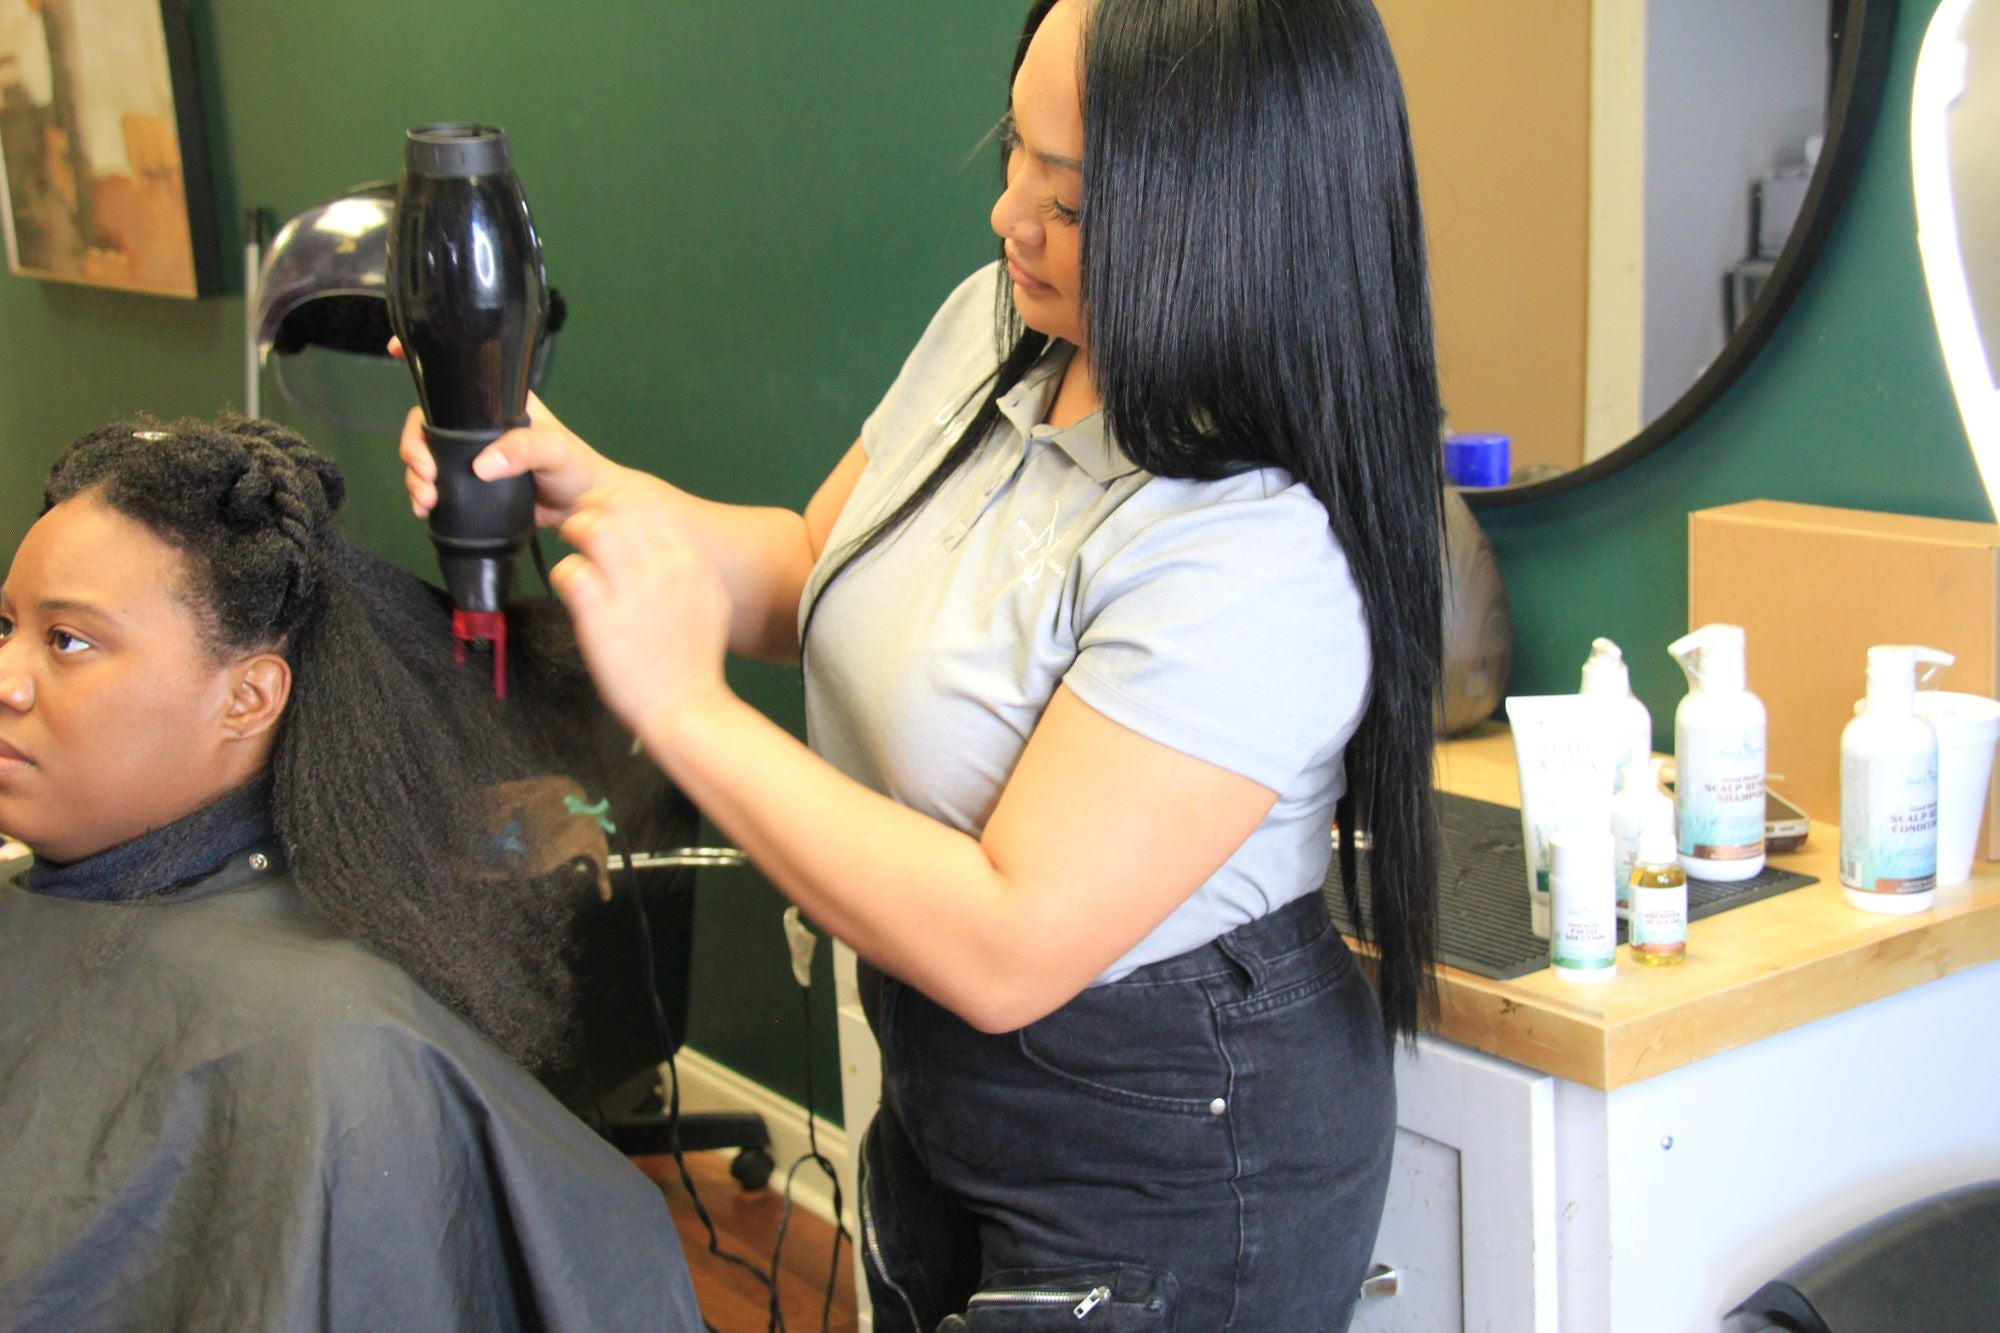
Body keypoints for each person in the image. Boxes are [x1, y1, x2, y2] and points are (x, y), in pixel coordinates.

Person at [404, 0, 1443, 1325]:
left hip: (1178, 1148)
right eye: (1014, 150)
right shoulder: (999, 325)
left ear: (1225, 219)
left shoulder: (1254, 549)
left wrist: (679, 706)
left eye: (1065, 199)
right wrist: (583, 490)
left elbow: (1011, 941)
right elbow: (806, 574)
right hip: (950, 1079)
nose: (1010, 216)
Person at [0, 416, 703, 1332]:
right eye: (6, 623)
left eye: (69, 642)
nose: (8, 675)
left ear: (248, 697)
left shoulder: (339, 1048)